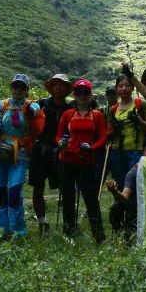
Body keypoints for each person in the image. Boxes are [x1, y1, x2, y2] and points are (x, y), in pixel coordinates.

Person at [0, 74, 44, 241]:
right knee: (0, 193)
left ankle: (18, 231)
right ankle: (3, 230)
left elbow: (36, 112)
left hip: (20, 154)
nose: (18, 90)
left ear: (27, 90)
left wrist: (29, 110)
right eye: (15, 86)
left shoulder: (32, 105)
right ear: (11, 87)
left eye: (22, 87)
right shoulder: (1, 105)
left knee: (13, 193)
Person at [55, 79, 107, 241]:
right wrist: (60, 143)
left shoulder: (97, 116)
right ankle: (69, 231)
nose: (82, 95)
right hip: (67, 159)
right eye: (79, 92)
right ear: (74, 95)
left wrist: (92, 148)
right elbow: (58, 135)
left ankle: (99, 235)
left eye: (86, 92)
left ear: (91, 95)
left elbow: (102, 137)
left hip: (87, 160)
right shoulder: (67, 115)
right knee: (68, 196)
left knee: (91, 198)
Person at [30, 73, 74, 234]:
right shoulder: (41, 105)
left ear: (66, 89)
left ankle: (68, 223)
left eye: (62, 85)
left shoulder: (71, 109)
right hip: (40, 150)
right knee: (38, 187)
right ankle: (42, 223)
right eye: (55, 84)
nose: (58, 87)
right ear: (51, 87)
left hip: (62, 151)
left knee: (65, 187)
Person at [106, 138, 146, 244]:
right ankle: (122, 235)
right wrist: (114, 191)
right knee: (116, 207)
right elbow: (124, 197)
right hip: (140, 207)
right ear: (143, 153)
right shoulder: (134, 172)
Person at [107, 70, 146, 185]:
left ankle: (134, 203)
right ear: (116, 89)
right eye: (120, 86)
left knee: (135, 183)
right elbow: (108, 134)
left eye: (127, 85)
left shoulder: (141, 104)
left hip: (136, 150)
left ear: (133, 88)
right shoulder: (113, 109)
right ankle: (122, 203)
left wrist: (139, 121)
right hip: (116, 151)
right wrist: (115, 129)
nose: (124, 89)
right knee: (120, 183)